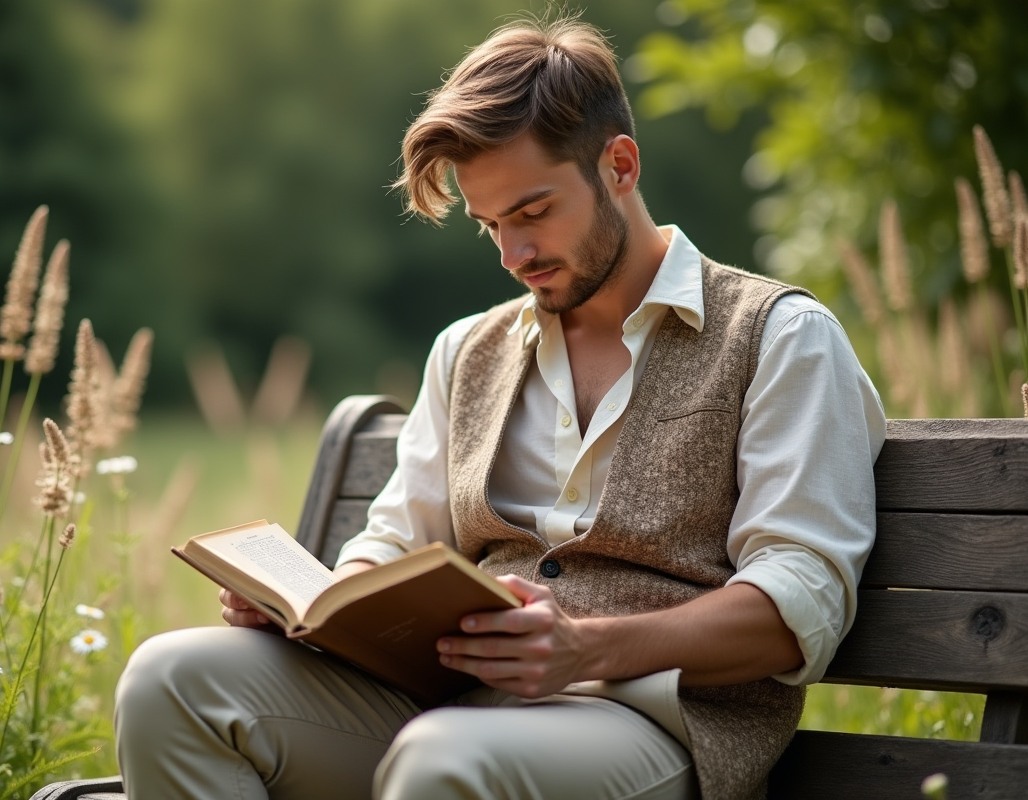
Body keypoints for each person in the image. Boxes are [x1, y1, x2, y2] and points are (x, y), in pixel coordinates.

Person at [114, 14, 885, 800]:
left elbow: (797, 604)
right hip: (447, 705)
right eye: (490, 226)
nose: (514, 256)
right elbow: (393, 544)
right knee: (168, 679)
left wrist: (585, 649)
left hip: (654, 726)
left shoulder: (780, 337)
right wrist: (315, 609)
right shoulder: (466, 352)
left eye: (532, 212)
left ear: (619, 164)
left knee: (446, 758)